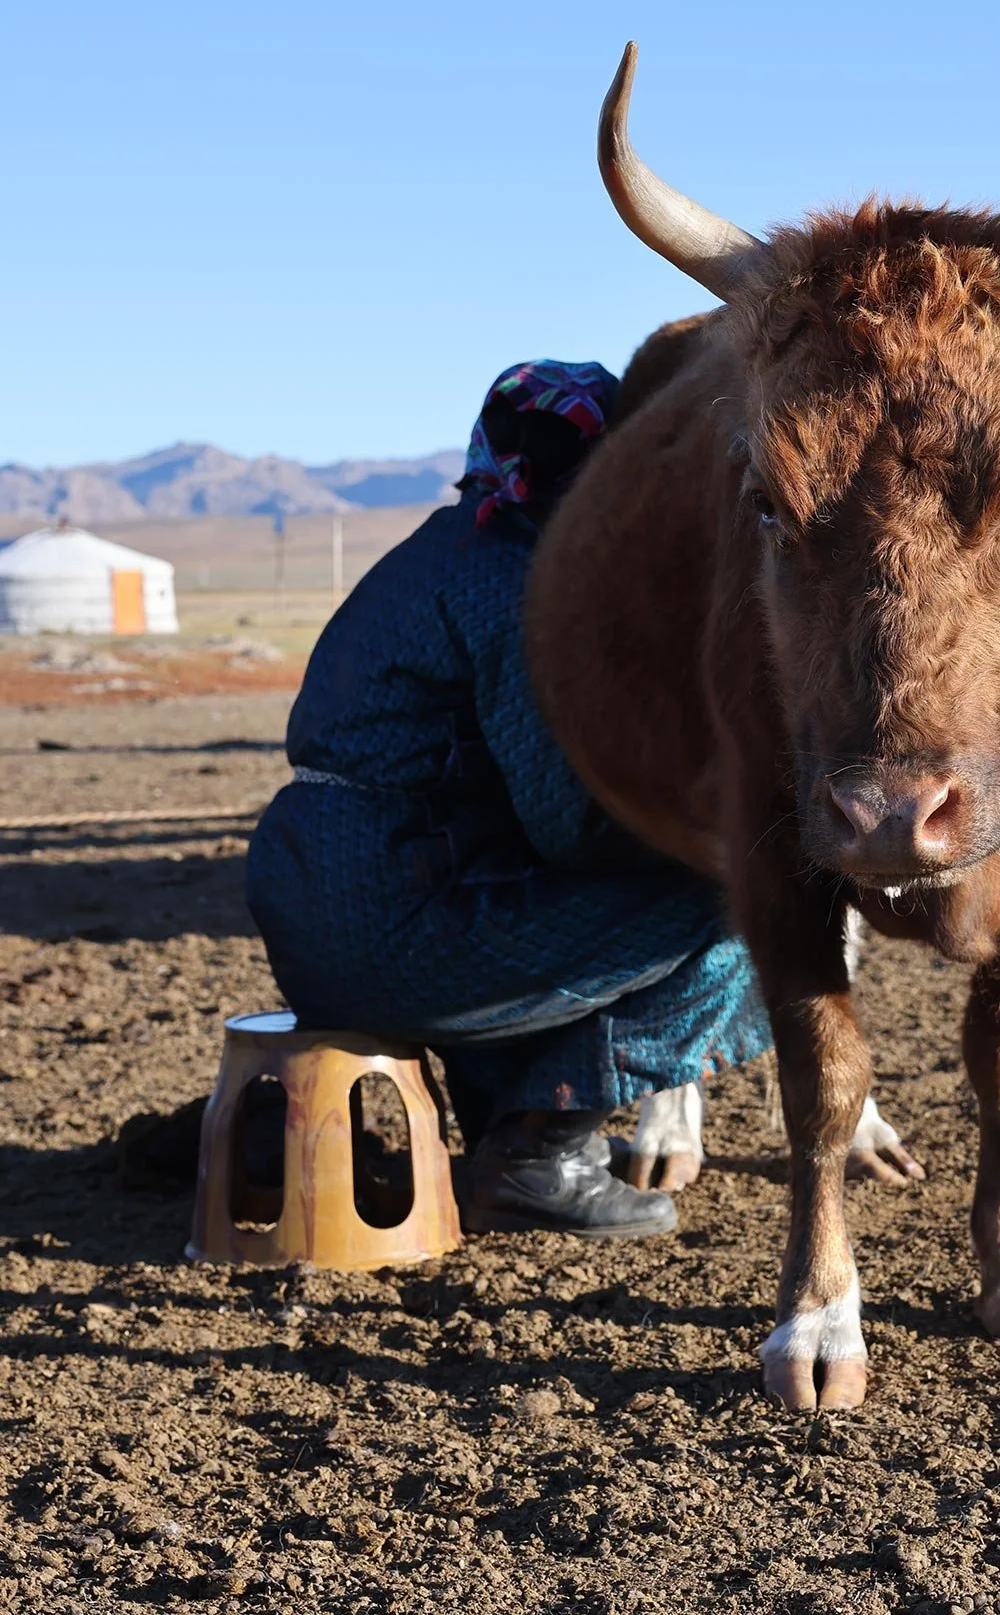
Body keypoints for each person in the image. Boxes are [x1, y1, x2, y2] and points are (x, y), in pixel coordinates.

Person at [245, 360, 778, 1241]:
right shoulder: (521, 583)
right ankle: (538, 1158)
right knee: (739, 910)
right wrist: (709, 831)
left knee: (561, 906)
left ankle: (516, 1132)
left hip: (319, 904)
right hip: (397, 923)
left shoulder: (441, 548)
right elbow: (566, 824)